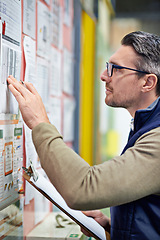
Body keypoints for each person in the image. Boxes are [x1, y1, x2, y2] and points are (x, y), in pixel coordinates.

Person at [7, 31, 160, 240]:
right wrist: (113, 227)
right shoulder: (146, 126)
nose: (104, 75)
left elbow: (83, 188)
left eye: (115, 69)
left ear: (148, 83)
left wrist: (40, 123)